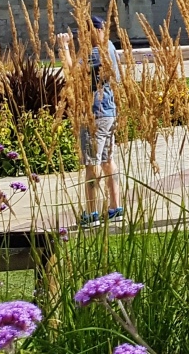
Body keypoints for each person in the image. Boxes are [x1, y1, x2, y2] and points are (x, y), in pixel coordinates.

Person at [60, 16, 124, 229]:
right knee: (107, 160)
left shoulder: (96, 52)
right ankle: (115, 208)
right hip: (109, 111)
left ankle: (91, 213)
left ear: (93, 31)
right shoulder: (110, 46)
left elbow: (72, 75)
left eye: (83, 34)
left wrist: (65, 48)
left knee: (92, 163)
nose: (81, 38)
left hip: (95, 114)